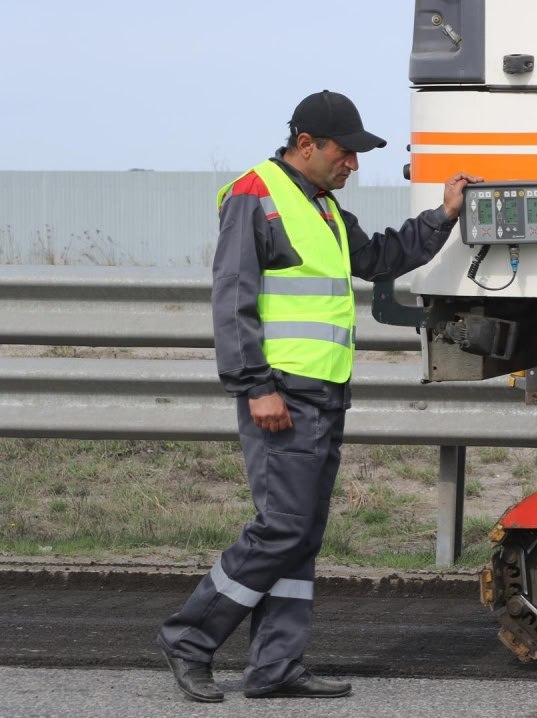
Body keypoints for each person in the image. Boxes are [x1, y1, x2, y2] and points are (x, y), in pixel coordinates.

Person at [156, 90, 480, 702]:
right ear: (306, 145)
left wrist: (444, 215)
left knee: (301, 533)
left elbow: (383, 257)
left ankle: (275, 667)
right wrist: (256, 388)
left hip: (324, 394)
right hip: (281, 396)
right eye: (345, 152)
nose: (353, 164)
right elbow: (232, 300)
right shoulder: (257, 196)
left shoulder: (324, 208)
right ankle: (189, 637)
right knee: (281, 529)